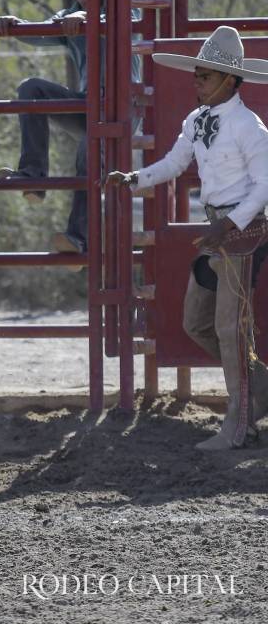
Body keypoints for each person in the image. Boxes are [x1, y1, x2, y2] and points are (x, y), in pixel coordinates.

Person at [107, 26, 268, 450]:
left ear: (230, 81)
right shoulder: (197, 121)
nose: (196, 81)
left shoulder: (249, 127)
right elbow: (175, 162)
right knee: (198, 321)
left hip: (243, 233)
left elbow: (265, 183)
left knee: (228, 328)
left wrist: (230, 223)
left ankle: (240, 426)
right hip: (223, 232)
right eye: (196, 74)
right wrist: (135, 178)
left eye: (205, 76)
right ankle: (258, 389)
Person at [0, 0, 141, 256]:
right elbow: (41, 33)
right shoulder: (69, 15)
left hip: (120, 106)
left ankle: (78, 239)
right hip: (88, 103)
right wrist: (14, 24)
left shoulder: (124, 5)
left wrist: (90, 18)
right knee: (30, 88)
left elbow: (123, 26)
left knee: (90, 145)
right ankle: (32, 176)